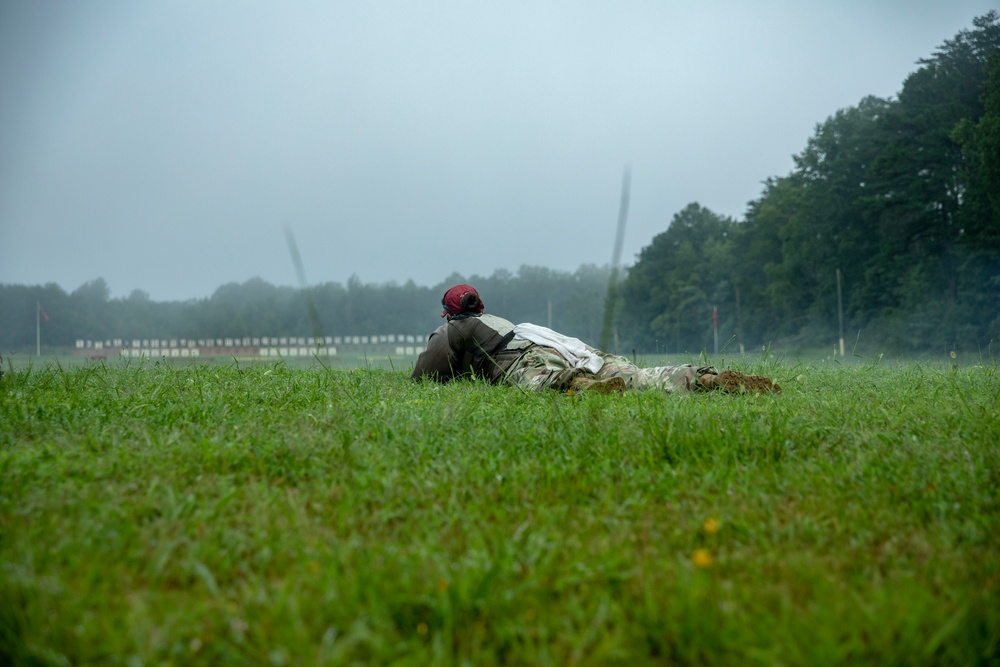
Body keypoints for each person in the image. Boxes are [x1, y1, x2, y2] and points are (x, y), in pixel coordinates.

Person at [411, 284, 780, 394]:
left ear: (448, 312)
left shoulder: (453, 329)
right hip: (565, 345)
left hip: (528, 359)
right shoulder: (500, 320)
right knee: (636, 376)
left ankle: (582, 389)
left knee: (542, 384)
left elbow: (425, 375)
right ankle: (705, 379)